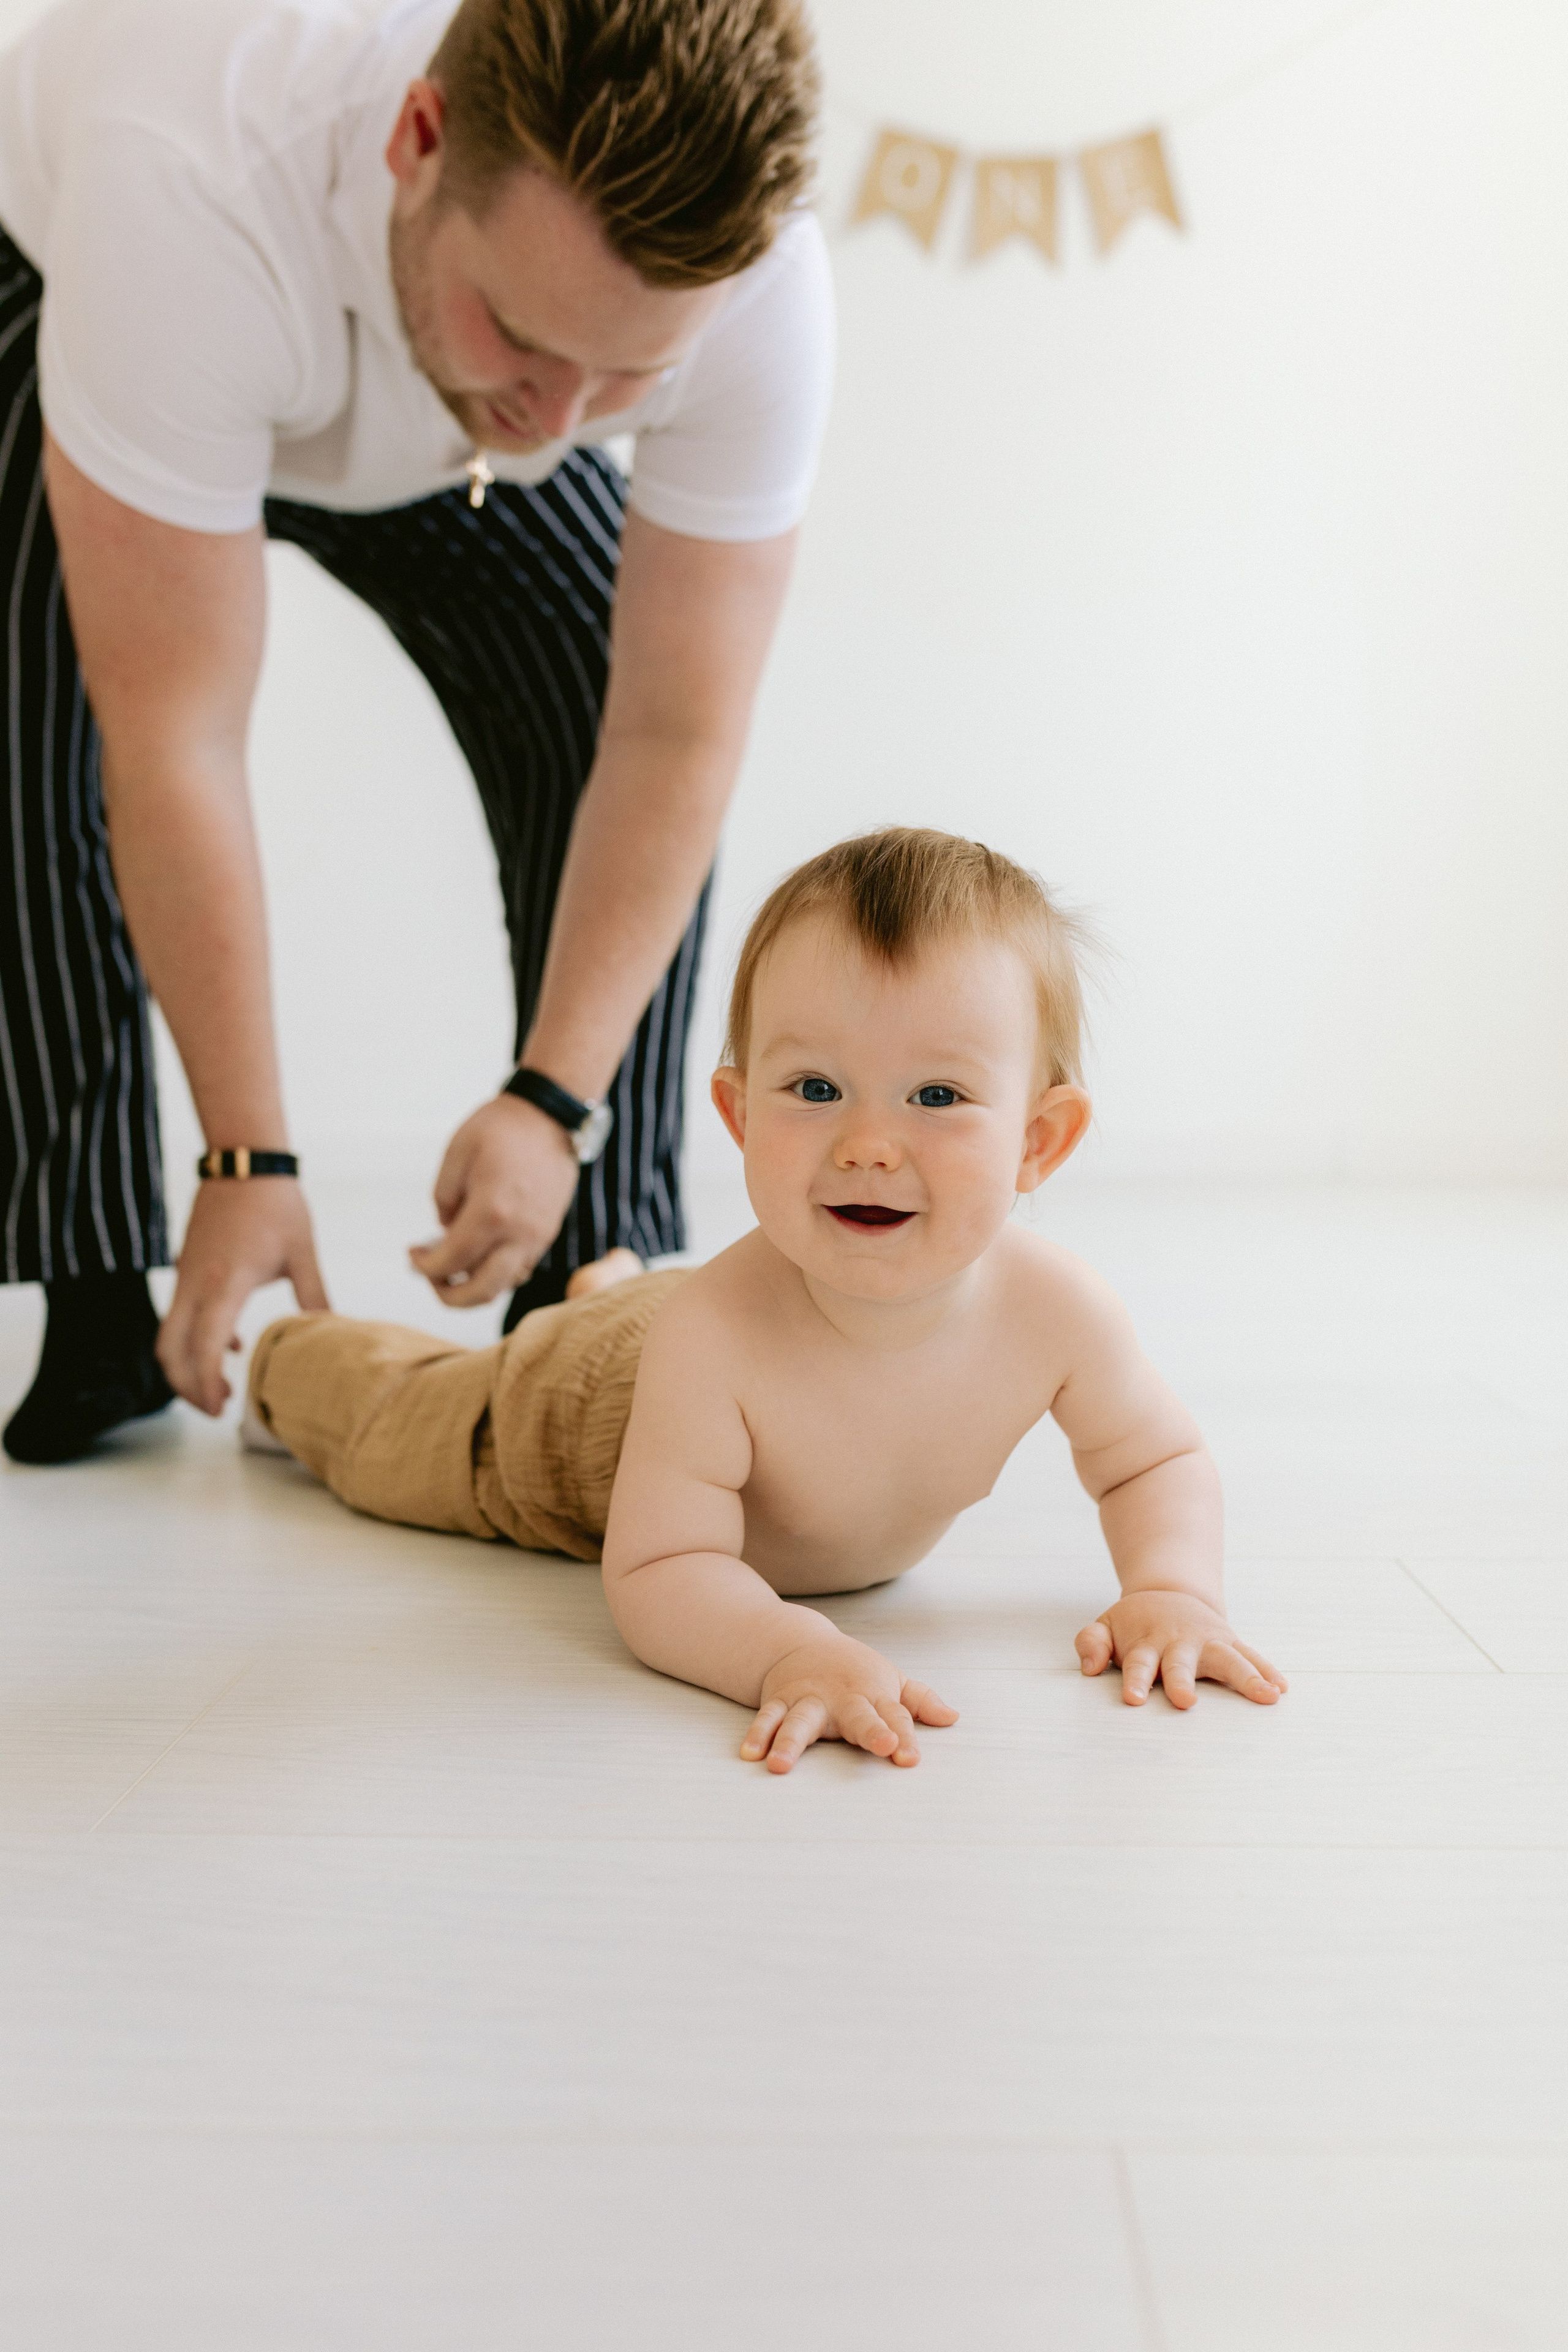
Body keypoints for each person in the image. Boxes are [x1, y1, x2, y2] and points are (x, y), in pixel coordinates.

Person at [0, 0, 831, 1462]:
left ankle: (589, 1260)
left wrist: (547, 1099)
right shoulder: (187, 171)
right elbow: (174, 734)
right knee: (19, 721)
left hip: (353, 334)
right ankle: (94, 1291)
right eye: (522, 332)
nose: (559, 417)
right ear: (419, 138)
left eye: (628, 378)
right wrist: (247, 1156)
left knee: (586, 673)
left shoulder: (757, 289)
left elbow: (671, 732)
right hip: (76, 266)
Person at [244, 828, 1288, 1770]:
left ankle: (610, 1282)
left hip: (679, 1335)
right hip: (572, 1415)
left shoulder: (1058, 1313)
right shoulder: (714, 1337)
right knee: (406, 1433)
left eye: (936, 1097)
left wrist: (1172, 1588)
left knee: (656, 1306)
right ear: (742, 1118)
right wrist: (790, 1649)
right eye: (816, 1089)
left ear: (1038, 1141)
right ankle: (292, 1357)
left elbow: (1155, 1459)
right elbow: (661, 1567)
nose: (867, 1145)